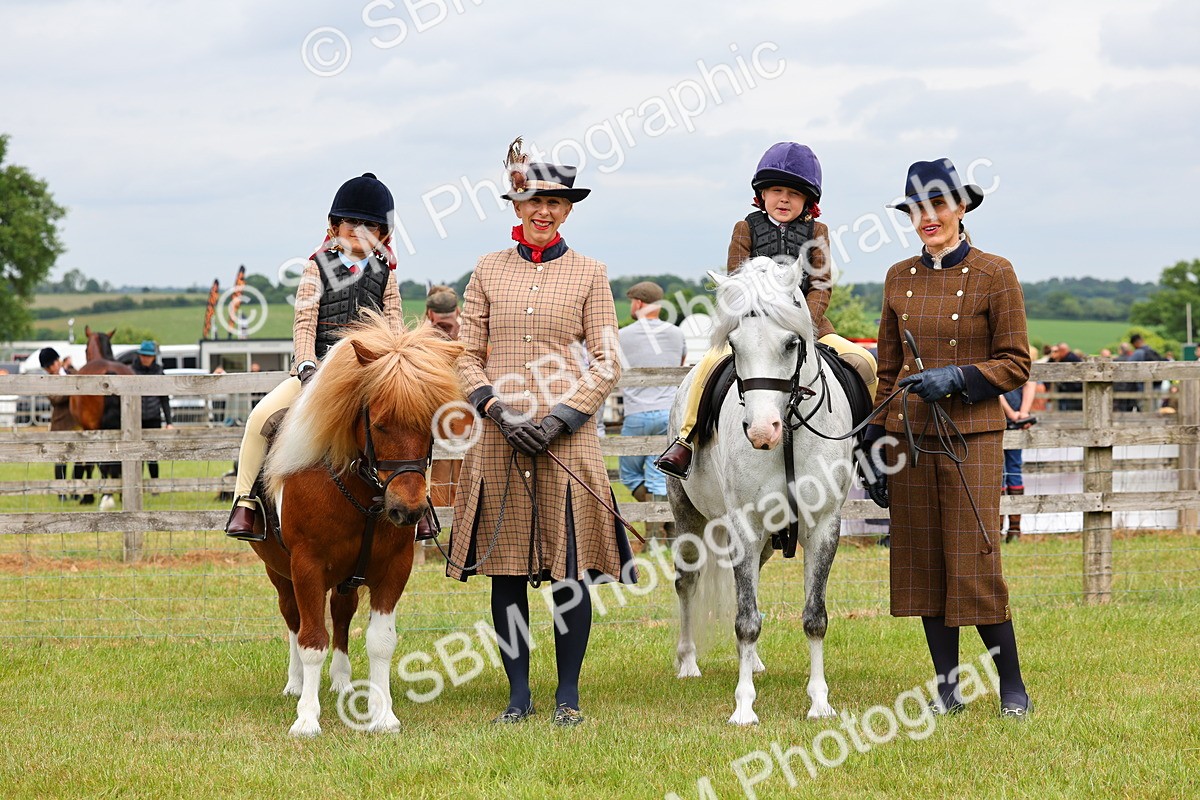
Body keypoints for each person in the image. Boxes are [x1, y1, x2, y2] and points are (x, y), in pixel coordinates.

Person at [447, 144, 629, 727]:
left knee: (568, 575)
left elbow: (607, 360)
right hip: (500, 438)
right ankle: (518, 695)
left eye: (553, 202)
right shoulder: (487, 270)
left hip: (566, 440)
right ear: (517, 204)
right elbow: (465, 354)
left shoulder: (591, 273)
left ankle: (567, 695)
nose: (542, 211)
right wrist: (495, 409)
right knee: (506, 573)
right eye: (532, 201)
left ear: (568, 210)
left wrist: (559, 419)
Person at [865, 157, 1033, 719]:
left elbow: (1016, 363)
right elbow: (887, 370)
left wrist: (959, 377)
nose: (928, 217)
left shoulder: (995, 272)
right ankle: (946, 688)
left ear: (961, 207)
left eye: (938, 205)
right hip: (909, 438)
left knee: (974, 559)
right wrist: (873, 442)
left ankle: (1012, 686)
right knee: (925, 564)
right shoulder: (898, 277)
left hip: (971, 436)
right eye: (917, 209)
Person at [656, 141, 878, 480]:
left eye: (793, 193)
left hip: (809, 326)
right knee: (706, 368)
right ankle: (686, 439)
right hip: (753, 328)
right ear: (762, 194)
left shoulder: (818, 232)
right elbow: (737, 282)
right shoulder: (745, 228)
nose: (784, 199)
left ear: (807, 200)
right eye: (776, 191)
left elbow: (821, 285)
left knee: (863, 362)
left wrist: (802, 324)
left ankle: (866, 446)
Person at [225, 173, 403, 539]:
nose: (360, 231)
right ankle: (245, 502)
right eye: (352, 222)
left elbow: (396, 327)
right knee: (259, 419)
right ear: (335, 226)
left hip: (370, 378)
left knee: (410, 424)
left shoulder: (386, 274)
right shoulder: (315, 268)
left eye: (370, 225)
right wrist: (307, 365)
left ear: (382, 233)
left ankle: (422, 503)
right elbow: (305, 321)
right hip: (318, 373)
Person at [618, 281, 686, 541]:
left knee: (628, 474)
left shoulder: (622, 336)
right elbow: (680, 364)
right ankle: (667, 526)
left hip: (636, 412)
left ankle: (655, 535)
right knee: (660, 475)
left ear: (638, 303)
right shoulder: (677, 333)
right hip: (669, 413)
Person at [424, 284, 464, 541]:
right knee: (445, 475)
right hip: (450, 419)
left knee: (447, 474)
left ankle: (446, 534)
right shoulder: (467, 338)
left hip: (450, 419)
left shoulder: (422, 340)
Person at [999, 379, 1037, 543]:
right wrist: (1015, 413)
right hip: (1000, 419)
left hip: (1015, 421)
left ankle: (1012, 529)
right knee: (1000, 472)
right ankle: (1001, 529)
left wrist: (1023, 414)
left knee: (1011, 470)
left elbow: (1030, 382)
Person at [40, 347, 80, 498]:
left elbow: (82, 380)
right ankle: (61, 492)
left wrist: (71, 368)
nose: (51, 369)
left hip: (76, 421)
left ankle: (76, 491)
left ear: (58, 361)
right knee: (60, 459)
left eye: (52, 364)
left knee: (78, 459)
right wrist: (72, 388)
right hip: (60, 423)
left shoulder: (71, 372)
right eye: (48, 367)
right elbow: (56, 399)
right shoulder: (47, 381)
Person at [130, 340, 173, 479]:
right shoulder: (131, 371)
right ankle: (137, 483)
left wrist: (169, 422)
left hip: (154, 417)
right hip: (136, 418)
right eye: (143, 355)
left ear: (153, 357)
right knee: (136, 453)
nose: (145, 359)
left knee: (153, 454)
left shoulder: (159, 372)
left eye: (148, 356)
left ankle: (155, 484)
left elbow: (164, 398)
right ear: (139, 355)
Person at [1049, 342, 1083, 411]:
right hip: (1072, 391)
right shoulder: (1069, 357)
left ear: (1062, 351)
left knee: (1071, 410)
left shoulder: (1069, 359)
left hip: (1073, 391)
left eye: (1058, 351)